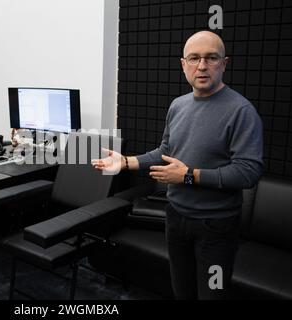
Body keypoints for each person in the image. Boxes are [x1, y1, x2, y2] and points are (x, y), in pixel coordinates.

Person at [92, 31, 263, 299]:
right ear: (183, 64)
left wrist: (188, 176)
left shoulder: (242, 111)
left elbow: (249, 173)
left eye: (211, 58)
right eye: (194, 58)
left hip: (216, 228)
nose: (202, 66)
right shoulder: (178, 106)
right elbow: (166, 151)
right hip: (176, 220)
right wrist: (126, 162)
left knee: (212, 296)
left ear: (224, 63)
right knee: (181, 292)